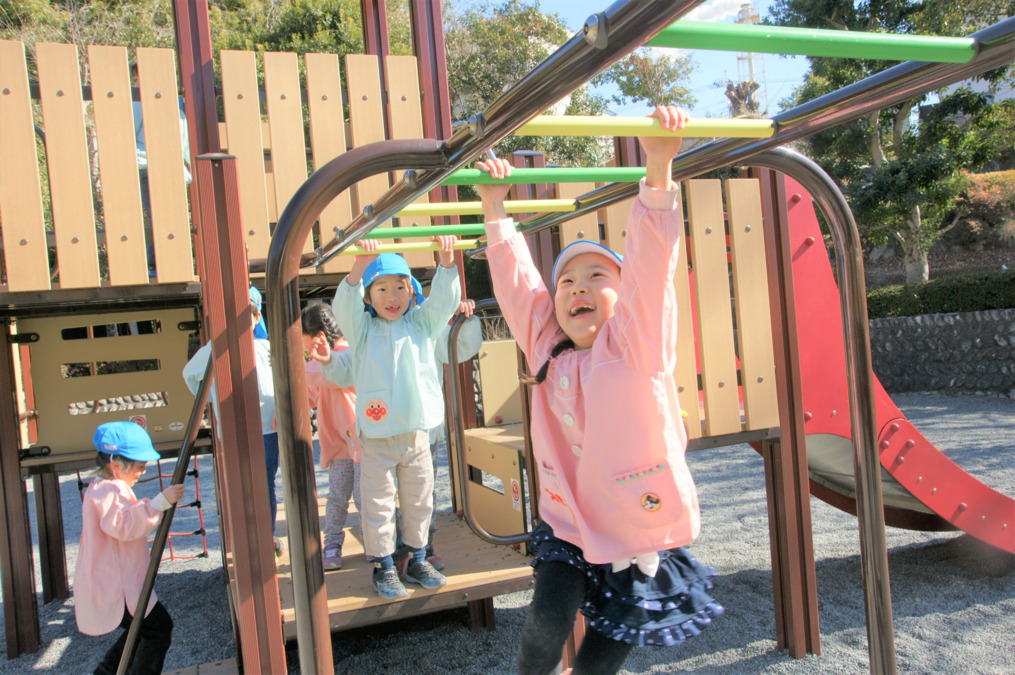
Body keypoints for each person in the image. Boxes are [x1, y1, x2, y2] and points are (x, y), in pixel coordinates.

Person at [476, 105, 724, 674]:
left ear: (621, 296)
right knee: (545, 623)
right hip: (568, 521)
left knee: (602, 658)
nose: (576, 288)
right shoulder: (549, 347)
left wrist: (658, 168)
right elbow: (519, 290)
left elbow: (651, 268)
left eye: (596, 278)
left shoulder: (635, 347)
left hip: (637, 529)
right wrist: (495, 209)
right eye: (566, 281)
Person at [311, 237, 460, 600]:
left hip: (417, 434)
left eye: (400, 286)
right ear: (367, 296)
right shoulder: (363, 331)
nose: (392, 296)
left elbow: (443, 302)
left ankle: (417, 556)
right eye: (381, 288)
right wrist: (360, 263)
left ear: (411, 291)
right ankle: (383, 566)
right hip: (377, 437)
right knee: (377, 501)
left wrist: (446, 263)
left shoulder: (421, 324)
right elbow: (344, 314)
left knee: (420, 498)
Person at [74, 421, 186, 675]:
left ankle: (105, 672)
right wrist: (158, 503)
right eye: (139, 467)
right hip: (118, 586)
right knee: (157, 629)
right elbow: (124, 526)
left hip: (117, 582)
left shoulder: (103, 488)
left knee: (141, 631)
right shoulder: (110, 491)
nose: (141, 473)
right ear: (116, 466)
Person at [183, 286, 282, 555]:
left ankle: (266, 537)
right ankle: (248, 540)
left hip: (267, 429)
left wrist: (281, 410)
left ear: (256, 317)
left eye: (246, 315)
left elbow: (283, 381)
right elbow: (191, 374)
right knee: (241, 485)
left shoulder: (265, 347)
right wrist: (213, 396)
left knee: (264, 484)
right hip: (236, 429)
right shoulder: (214, 349)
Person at [393, 299, 484, 573]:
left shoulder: (428, 329)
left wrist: (463, 320)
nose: (394, 299)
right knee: (386, 495)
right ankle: (392, 551)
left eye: (401, 291)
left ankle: (424, 547)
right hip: (385, 432)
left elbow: (460, 347)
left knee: (423, 493)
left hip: (423, 430)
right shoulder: (375, 331)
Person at [301, 302, 361, 571]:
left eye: (301, 339)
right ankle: (333, 543)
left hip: (361, 441)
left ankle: (380, 543)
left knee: (365, 496)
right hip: (338, 444)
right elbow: (311, 396)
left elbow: (313, 375)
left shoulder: (346, 355)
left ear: (317, 337)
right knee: (337, 495)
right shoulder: (318, 366)